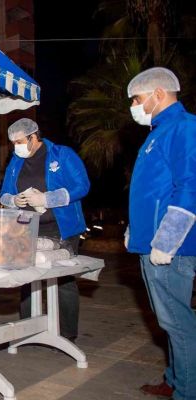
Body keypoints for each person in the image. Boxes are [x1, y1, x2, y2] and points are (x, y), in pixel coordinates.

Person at [124, 67, 195, 400]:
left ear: (159, 94)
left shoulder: (183, 127)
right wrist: (135, 230)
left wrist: (168, 239)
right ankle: (175, 379)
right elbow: (153, 191)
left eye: (137, 99)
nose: (134, 106)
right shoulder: (158, 132)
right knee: (171, 323)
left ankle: (187, 390)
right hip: (151, 244)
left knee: (179, 325)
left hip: (170, 248)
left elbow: (190, 186)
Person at [0, 118, 90, 341]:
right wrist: (13, 200)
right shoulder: (15, 161)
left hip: (62, 227)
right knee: (27, 278)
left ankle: (67, 333)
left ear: (33, 137)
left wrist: (48, 198)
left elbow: (82, 186)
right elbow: (4, 193)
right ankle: (27, 330)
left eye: (19, 141)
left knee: (63, 280)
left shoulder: (62, 154)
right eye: (12, 143)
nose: (15, 146)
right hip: (28, 228)